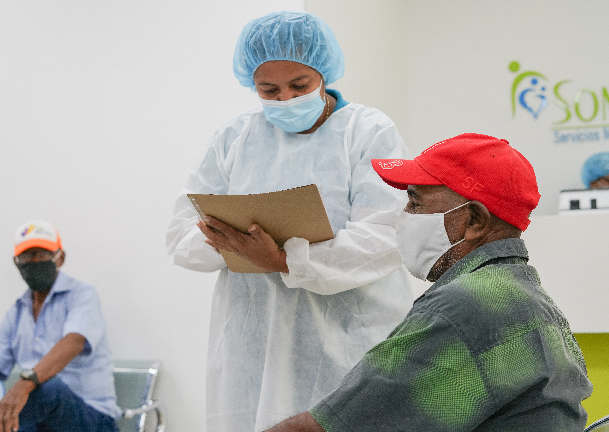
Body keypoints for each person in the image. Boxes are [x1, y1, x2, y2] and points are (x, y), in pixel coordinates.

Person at [166, 10, 413, 432]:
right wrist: (227, 239)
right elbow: (181, 234)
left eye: (300, 86)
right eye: (269, 90)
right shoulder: (234, 138)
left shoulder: (367, 130)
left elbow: (385, 235)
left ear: (323, 72)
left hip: (347, 337)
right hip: (251, 344)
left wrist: (284, 260)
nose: (286, 99)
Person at [265, 133, 593, 432]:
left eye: (415, 203)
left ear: (474, 221)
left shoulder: (461, 308)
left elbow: (328, 428)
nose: (404, 216)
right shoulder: (530, 298)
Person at [0, 220, 121, 432]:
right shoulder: (16, 313)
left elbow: (73, 342)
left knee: (48, 388)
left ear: (60, 258)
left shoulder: (82, 295)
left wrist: (25, 384)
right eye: (27, 256)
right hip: (40, 422)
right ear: (17, 263)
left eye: (42, 254)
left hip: (92, 420)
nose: (35, 260)